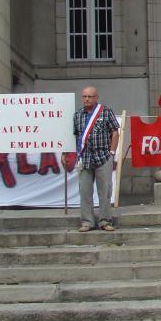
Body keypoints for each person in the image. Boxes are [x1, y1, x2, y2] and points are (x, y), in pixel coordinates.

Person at [62, 86, 119, 232]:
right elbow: (72, 137)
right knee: (85, 191)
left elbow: (115, 132)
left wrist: (112, 152)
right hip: (84, 158)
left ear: (96, 98)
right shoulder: (78, 115)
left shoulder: (106, 112)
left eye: (90, 96)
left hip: (103, 157)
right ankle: (87, 222)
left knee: (105, 192)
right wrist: (65, 153)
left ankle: (105, 221)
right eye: (84, 96)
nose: (86, 99)